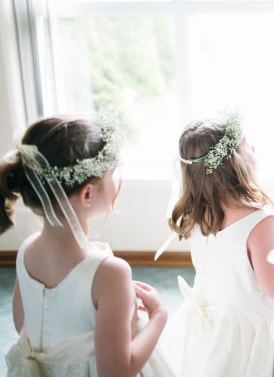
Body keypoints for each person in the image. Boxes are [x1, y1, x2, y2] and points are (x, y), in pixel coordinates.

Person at [0, 114, 173, 376]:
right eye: (113, 174)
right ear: (88, 194)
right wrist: (159, 315)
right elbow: (117, 371)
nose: (118, 181)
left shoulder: (26, 251)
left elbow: (23, 324)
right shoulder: (109, 271)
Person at [159, 111, 274, 377]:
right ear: (234, 162)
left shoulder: (197, 214)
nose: (254, 149)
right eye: (247, 145)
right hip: (249, 335)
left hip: (204, 327)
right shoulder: (259, 222)